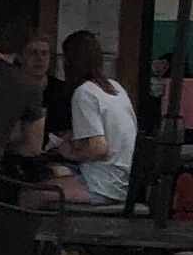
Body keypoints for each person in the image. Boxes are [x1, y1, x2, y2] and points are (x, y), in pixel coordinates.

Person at [55, 26, 138, 207]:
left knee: (31, 194)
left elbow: (98, 148)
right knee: (56, 171)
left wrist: (70, 153)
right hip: (124, 182)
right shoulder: (115, 88)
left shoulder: (84, 93)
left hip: (103, 185)